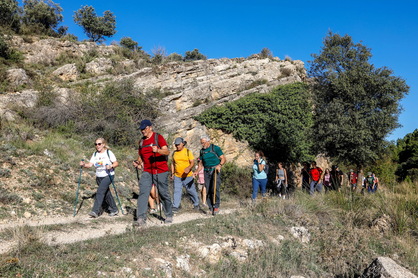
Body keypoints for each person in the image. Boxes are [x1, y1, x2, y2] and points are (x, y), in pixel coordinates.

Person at [133, 120, 173, 226]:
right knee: (143, 193)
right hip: (147, 170)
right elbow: (141, 156)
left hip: (160, 170)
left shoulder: (158, 137)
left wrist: (158, 150)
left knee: (163, 192)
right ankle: (141, 218)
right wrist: (138, 162)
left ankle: (169, 214)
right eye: (141, 129)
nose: (143, 131)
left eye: (144, 128)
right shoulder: (141, 142)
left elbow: (167, 151)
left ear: (150, 127)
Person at [80, 138, 119, 218]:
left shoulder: (108, 152)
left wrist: (111, 166)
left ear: (103, 144)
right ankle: (114, 209)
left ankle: (95, 211)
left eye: (99, 144)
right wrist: (84, 165)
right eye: (96, 144)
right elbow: (90, 165)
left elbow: (116, 163)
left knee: (100, 192)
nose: (97, 146)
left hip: (108, 175)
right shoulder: (95, 154)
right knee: (106, 193)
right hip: (99, 177)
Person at [194, 135, 226, 215]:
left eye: (203, 143)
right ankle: (210, 207)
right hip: (206, 170)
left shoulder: (215, 148)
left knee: (214, 188)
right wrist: (196, 171)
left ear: (208, 141)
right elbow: (200, 164)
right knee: (207, 189)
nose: (202, 144)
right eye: (201, 143)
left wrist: (220, 165)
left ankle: (216, 206)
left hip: (215, 170)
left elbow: (223, 158)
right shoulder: (202, 151)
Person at [171, 137, 200, 213]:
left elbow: (192, 162)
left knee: (191, 190)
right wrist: (172, 173)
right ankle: (175, 207)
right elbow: (173, 164)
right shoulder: (174, 153)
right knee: (177, 191)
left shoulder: (188, 152)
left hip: (188, 176)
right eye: (176, 145)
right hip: (177, 176)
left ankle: (196, 204)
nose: (177, 146)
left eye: (178, 145)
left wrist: (188, 168)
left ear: (183, 144)